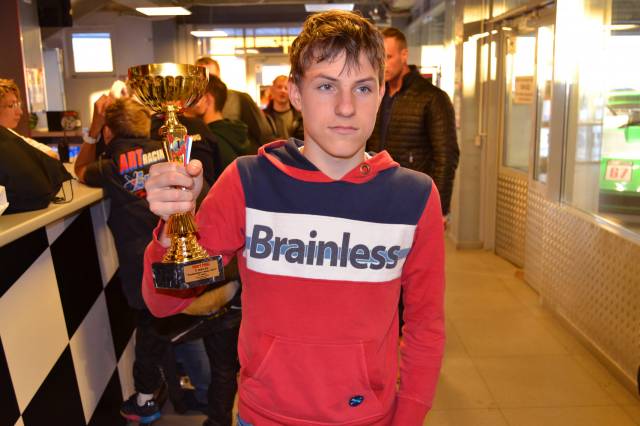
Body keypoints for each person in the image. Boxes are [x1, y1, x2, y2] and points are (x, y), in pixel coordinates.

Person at [143, 10, 445, 426]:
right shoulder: (248, 182)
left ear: (380, 94)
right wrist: (171, 227)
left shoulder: (414, 196)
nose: (345, 107)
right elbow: (162, 303)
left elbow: (426, 325)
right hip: (264, 415)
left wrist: (408, 416)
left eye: (362, 88)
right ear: (296, 94)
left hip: (368, 417)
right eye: (326, 86)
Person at [74, 96, 171, 424]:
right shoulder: (166, 148)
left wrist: (92, 131)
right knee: (164, 321)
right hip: (173, 251)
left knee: (148, 326)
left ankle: (145, 400)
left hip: (140, 261)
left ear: (109, 132)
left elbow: (79, 170)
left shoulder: (113, 162)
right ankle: (176, 386)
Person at [367, 27, 459, 219]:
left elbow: (446, 156)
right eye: (379, 58)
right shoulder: (376, 95)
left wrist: (439, 209)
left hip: (414, 195)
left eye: (388, 57)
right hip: (377, 194)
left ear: (404, 55)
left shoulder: (432, 98)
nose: (383, 64)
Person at [195, 57, 274, 146]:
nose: (207, 83)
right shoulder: (189, 104)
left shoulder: (239, 98)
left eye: (211, 77)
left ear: (218, 76)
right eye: (200, 78)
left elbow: (263, 133)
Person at [190, 74, 256, 171]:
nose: (186, 103)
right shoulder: (236, 131)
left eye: (192, 96)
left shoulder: (209, 140)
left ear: (206, 99)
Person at [0, 78, 58, 159]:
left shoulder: (10, 134)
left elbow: (50, 153)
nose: (20, 112)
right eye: (11, 105)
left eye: (17, 105)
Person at [263, 75, 303, 140]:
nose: (282, 91)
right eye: (279, 87)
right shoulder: (264, 116)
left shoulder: (301, 116)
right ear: (272, 90)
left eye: (286, 88)